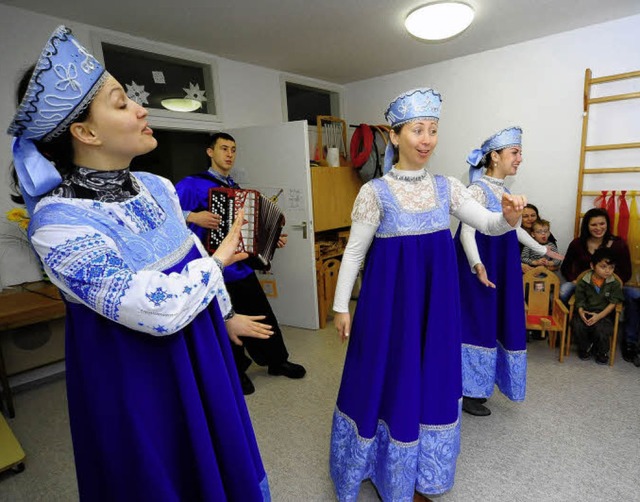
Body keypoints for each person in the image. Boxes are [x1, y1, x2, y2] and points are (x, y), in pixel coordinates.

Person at [7, 26, 270, 501]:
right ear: (84, 132)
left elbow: (188, 255)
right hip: (134, 374)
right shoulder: (56, 221)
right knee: (164, 470)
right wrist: (220, 260)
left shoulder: (158, 187)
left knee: (220, 457)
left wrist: (225, 315)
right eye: (121, 102)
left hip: (202, 347)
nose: (141, 108)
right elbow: (151, 308)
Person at [330, 88, 527, 502]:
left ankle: (420, 473)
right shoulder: (375, 192)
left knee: (430, 381)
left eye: (433, 130)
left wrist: (508, 219)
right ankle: (376, 465)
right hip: (388, 311)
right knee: (386, 380)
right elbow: (354, 251)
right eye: (417, 130)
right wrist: (339, 306)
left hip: (436, 311)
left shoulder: (448, 188)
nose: (426, 139)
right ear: (396, 135)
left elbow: (488, 224)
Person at [175, 132, 306, 395]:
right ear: (210, 152)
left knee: (262, 315)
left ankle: (276, 361)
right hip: (214, 268)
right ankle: (237, 372)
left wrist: (268, 241)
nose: (229, 154)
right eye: (224, 148)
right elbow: (164, 215)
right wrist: (193, 216)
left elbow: (247, 231)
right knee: (228, 321)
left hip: (242, 267)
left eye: (233, 149)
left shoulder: (235, 188)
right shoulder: (191, 184)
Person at [455, 127, 563, 417]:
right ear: (494, 156)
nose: (519, 159)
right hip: (477, 269)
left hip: (499, 267)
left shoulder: (505, 192)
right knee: (476, 323)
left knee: (495, 322)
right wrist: (478, 266)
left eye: (519, 153)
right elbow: (467, 233)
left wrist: (544, 251)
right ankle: (467, 390)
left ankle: (479, 386)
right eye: (514, 153)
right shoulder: (476, 190)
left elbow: (515, 231)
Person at [559, 207, 636, 361]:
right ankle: (567, 331)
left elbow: (627, 272)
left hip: (612, 285)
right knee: (563, 291)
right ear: (587, 226)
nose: (598, 228)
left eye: (602, 224)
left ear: (607, 224)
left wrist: (612, 282)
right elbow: (566, 267)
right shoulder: (577, 243)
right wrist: (574, 279)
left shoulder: (618, 244)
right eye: (594, 225)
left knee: (635, 296)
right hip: (585, 283)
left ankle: (630, 342)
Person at [572, 248, 624, 364]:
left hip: (603, 313)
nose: (608, 271)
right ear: (592, 266)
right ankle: (584, 348)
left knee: (602, 329)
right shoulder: (584, 280)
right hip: (585, 310)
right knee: (578, 325)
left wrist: (599, 316)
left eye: (611, 268)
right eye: (603, 267)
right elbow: (579, 299)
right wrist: (581, 312)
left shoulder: (614, 283)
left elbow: (613, 303)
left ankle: (602, 352)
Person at [520, 203, 558, 272]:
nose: (530, 219)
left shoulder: (546, 235)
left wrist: (548, 265)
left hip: (546, 272)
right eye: (525, 216)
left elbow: (556, 262)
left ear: (537, 216)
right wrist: (521, 265)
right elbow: (507, 258)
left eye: (533, 215)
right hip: (523, 273)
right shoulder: (513, 234)